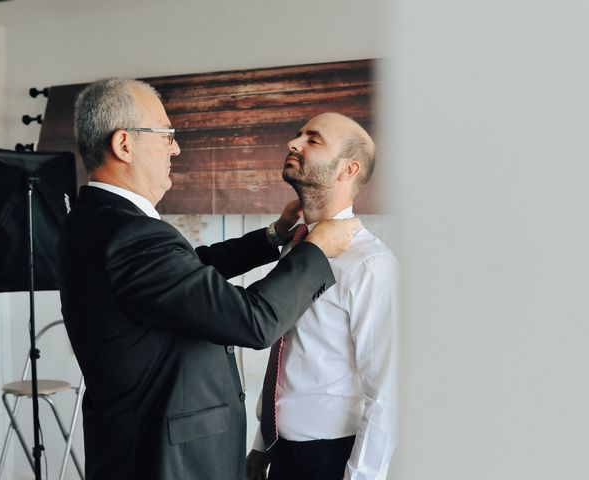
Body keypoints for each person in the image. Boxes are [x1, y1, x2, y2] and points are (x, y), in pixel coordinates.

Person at [57, 78, 362, 480]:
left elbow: (185, 275)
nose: (176, 148)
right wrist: (316, 250)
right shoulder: (128, 234)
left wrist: (270, 238)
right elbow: (252, 322)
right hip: (165, 461)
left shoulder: (97, 220)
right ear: (125, 145)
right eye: (167, 135)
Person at [246, 113, 398, 480]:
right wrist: (260, 443)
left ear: (348, 169)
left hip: (328, 459)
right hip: (280, 450)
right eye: (298, 134)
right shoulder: (298, 247)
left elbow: (389, 392)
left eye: (313, 140)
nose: (293, 144)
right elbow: (288, 353)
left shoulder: (371, 264)